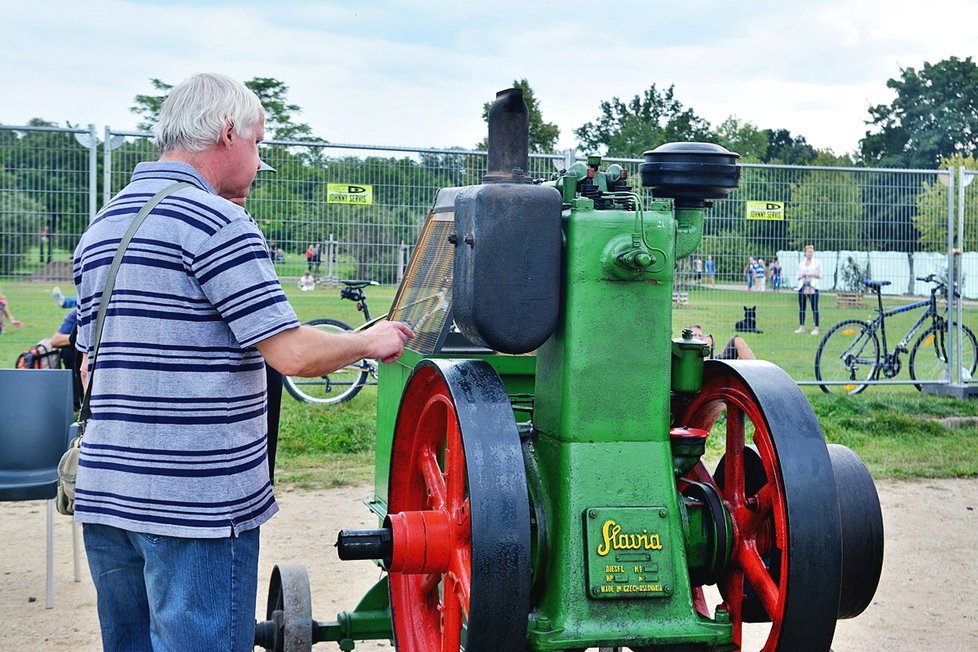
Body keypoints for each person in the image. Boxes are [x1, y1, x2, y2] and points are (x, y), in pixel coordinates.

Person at [72, 73, 413, 652]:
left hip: (107, 493)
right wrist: (370, 340)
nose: (257, 164)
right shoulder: (216, 223)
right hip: (195, 504)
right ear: (228, 133)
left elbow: (87, 367)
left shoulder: (103, 225)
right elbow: (294, 354)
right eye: (258, 145)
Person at [795, 244, 823, 335]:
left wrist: (812, 275)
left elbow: (821, 275)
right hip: (803, 286)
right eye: (808, 252)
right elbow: (798, 276)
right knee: (802, 308)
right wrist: (802, 276)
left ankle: (816, 327)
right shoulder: (801, 263)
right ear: (805, 253)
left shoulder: (817, 263)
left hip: (813, 286)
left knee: (814, 307)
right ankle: (801, 326)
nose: (810, 253)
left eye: (811, 252)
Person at [688, 324, 756, 360]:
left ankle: (757, 370)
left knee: (737, 340)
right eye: (694, 335)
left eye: (700, 336)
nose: (698, 338)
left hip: (716, 362)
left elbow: (707, 339)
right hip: (708, 368)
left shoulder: (706, 340)